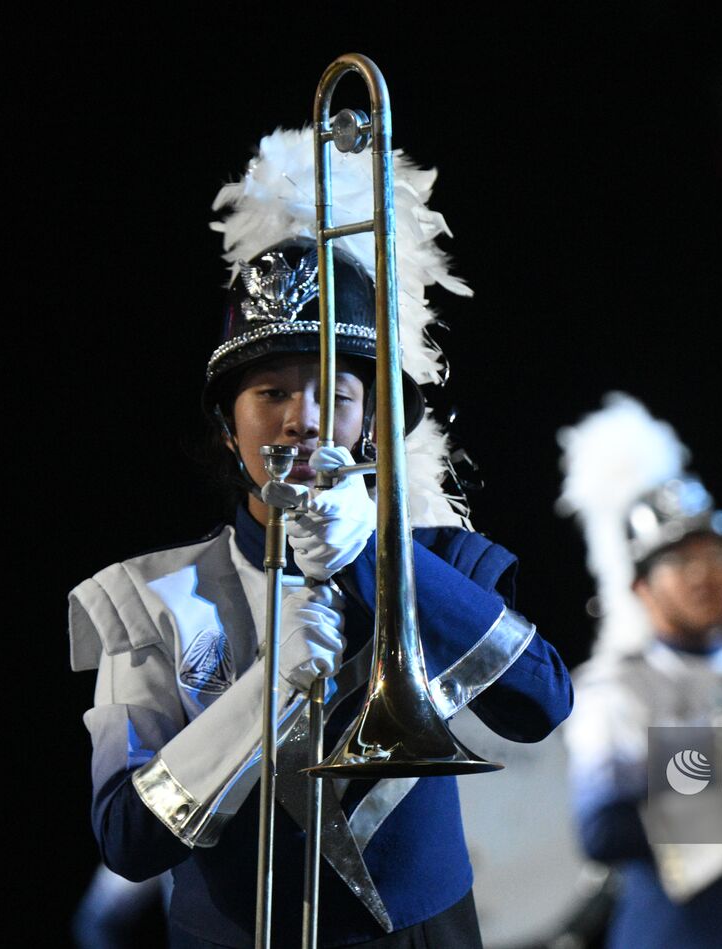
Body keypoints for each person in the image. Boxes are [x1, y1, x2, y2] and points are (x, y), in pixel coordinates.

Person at [68, 128, 573, 948]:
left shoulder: (441, 558)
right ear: (229, 432)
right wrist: (264, 695)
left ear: (371, 421)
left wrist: (371, 557)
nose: (303, 419)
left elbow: (540, 703)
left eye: (331, 393)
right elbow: (126, 837)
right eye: (271, 392)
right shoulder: (151, 594)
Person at [558, 394, 722, 949]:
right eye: (682, 562)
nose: (705, 576)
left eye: (716, 557)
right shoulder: (614, 685)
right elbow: (603, 831)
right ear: (640, 586)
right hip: (675, 929)